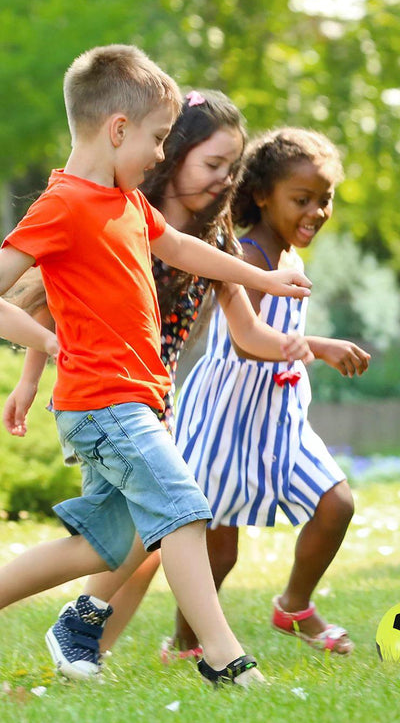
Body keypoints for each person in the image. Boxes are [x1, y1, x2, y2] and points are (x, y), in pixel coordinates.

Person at [0, 44, 311, 687]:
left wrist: (264, 281)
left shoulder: (127, 204)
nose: (162, 153)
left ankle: (80, 626)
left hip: (133, 402)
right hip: (104, 404)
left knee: (102, 548)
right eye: (158, 137)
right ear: (118, 129)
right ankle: (228, 662)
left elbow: (183, 249)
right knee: (183, 511)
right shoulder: (63, 206)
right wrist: (44, 344)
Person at [171, 127, 369, 657]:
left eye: (324, 200)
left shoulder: (290, 260)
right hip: (225, 416)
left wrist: (307, 352)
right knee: (219, 551)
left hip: (278, 418)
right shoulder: (250, 257)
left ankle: (294, 606)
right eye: (301, 199)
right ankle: (186, 643)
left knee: (336, 504)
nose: (316, 212)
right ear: (262, 195)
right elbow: (244, 344)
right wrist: (320, 346)